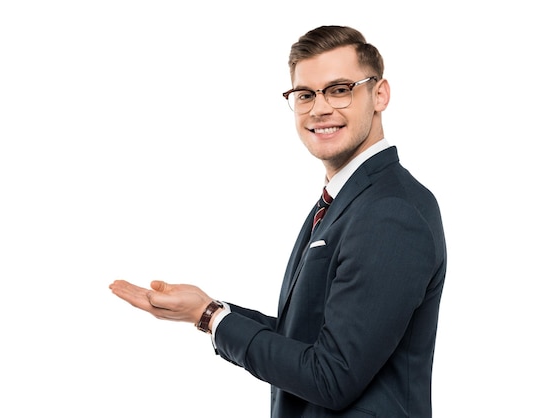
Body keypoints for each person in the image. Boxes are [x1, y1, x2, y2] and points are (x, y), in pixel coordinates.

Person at [110, 25, 447, 417]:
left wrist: (210, 318)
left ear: (379, 94)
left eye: (339, 89)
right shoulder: (347, 201)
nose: (320, 108)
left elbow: (330, 377)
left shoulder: (391, 212)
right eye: (305, 95)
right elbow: (306, 342)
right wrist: (208, 311)